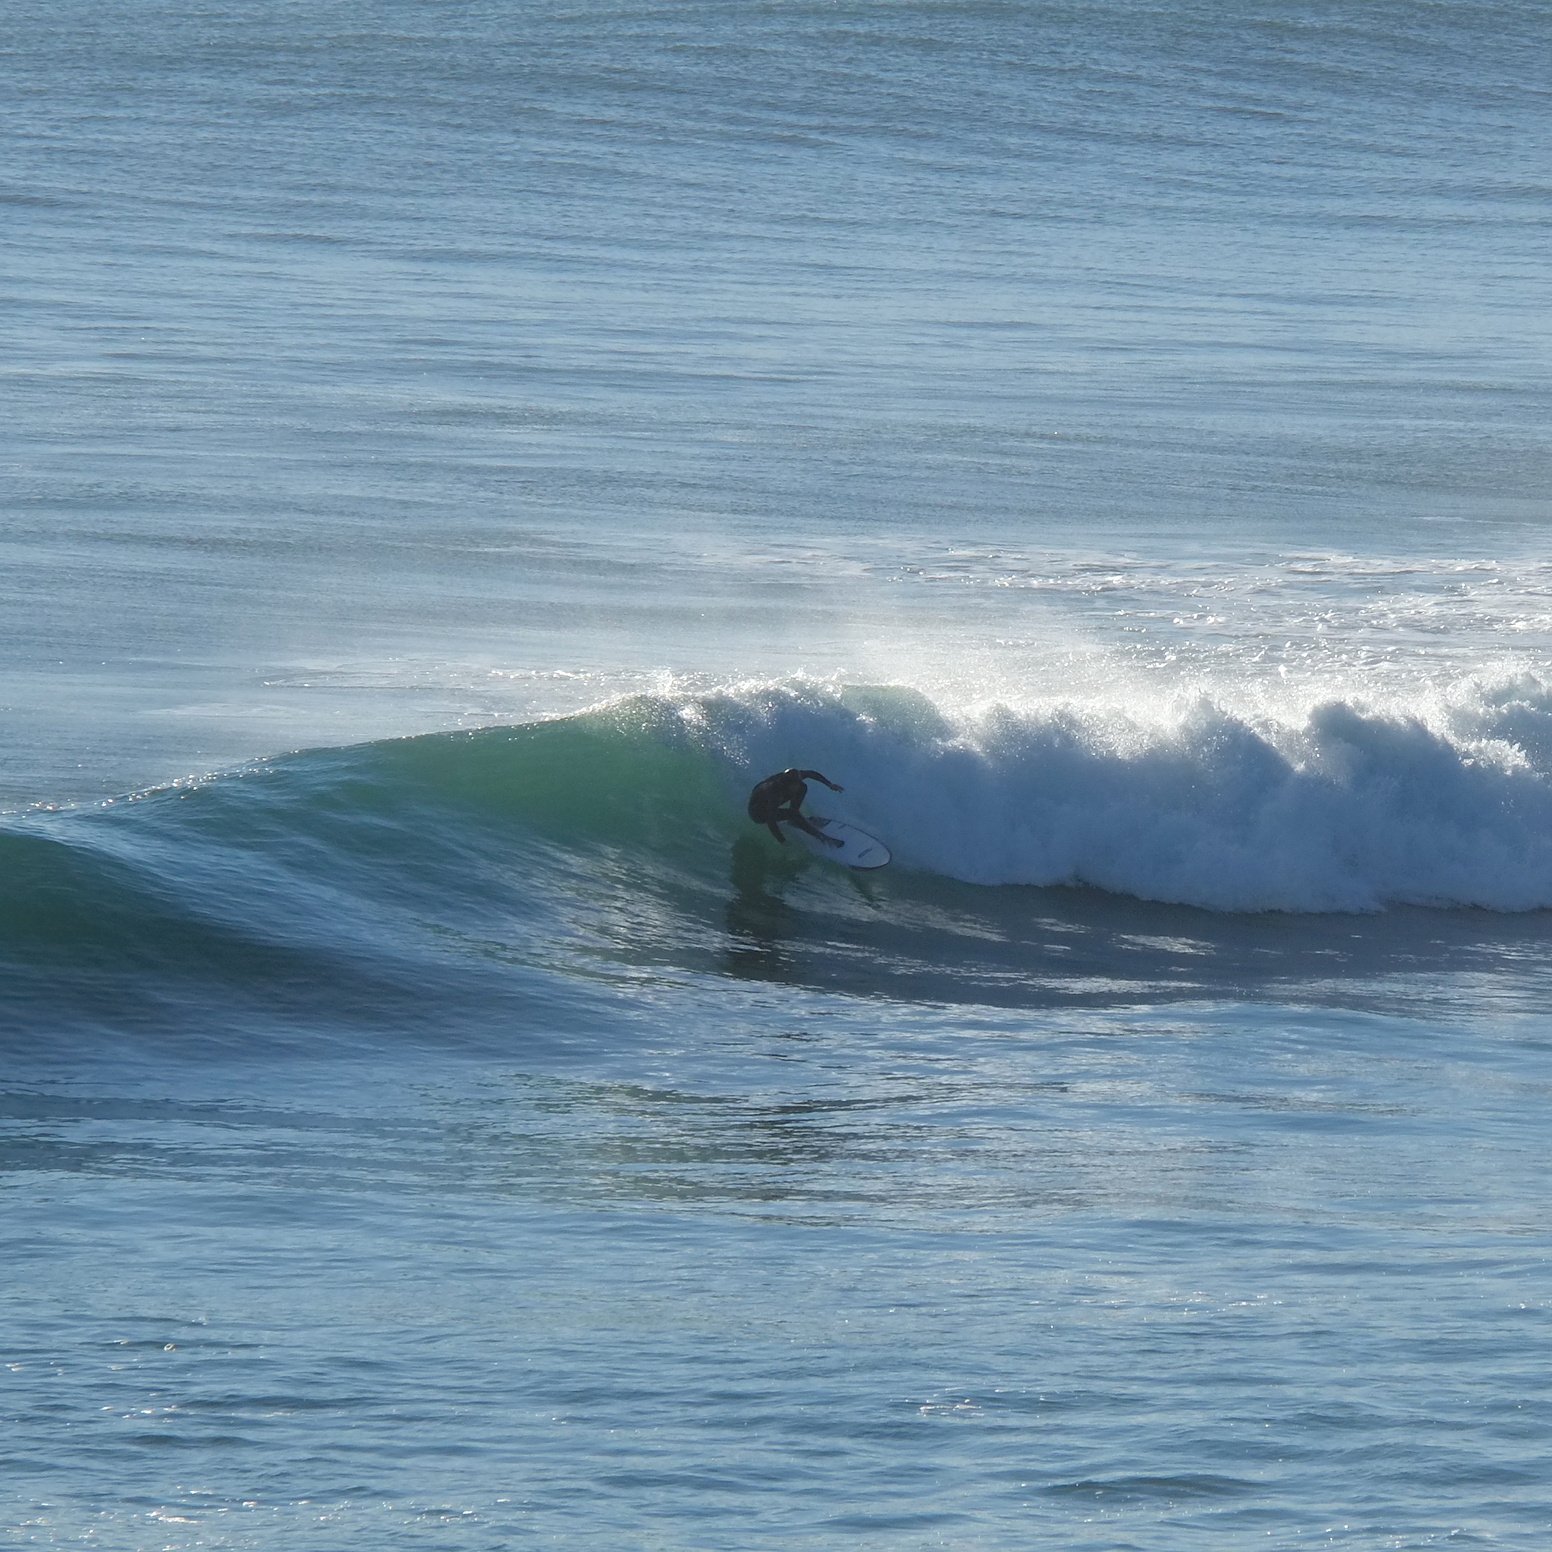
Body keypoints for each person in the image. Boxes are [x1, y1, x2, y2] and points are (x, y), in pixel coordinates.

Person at [747, 768, 845, 846]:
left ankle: (796, 820)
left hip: (767, 800)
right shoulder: (775, 794)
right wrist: (782, 840)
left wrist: (829, 784)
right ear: (788, 784)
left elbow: (811, 774)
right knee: (793, 814)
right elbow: (770, 819)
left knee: (803, 788)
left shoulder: (793, 776)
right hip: (758, 813)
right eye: (796, 784)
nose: (798, 785)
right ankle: (823, 838)